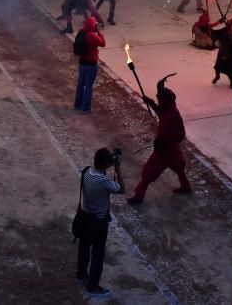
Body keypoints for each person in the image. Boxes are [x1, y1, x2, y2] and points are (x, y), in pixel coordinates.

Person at [127, 78, 191, 203]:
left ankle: (138, 196)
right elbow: (160, 111)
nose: (158, 100)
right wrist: (149, 102)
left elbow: (181, 134)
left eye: (159, 99)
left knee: (148, 172)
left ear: (165, 101)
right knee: (178, 168)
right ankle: (185, 187)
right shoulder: (168, 109)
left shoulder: (173, 114)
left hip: (165, 150)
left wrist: (165, 141)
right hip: (170, 149)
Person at [75, 147, 125, 299]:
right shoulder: (104, 182)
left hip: (84, 218)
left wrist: (109, 163)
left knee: (83, 248)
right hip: (98, 222)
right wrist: (118, 169)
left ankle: (80, 275)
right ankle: (92, 286)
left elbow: (101, 171)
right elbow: (121, 189)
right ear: (107, 164)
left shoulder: (86, 172)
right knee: (98, 254)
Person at [73, 17, 105, 115]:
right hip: (91, 65)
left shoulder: (81, 32)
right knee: (88, 87)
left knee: (80, 85)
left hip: (82, 63)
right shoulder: (91, 35)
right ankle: (85, 108)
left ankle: (77, 105)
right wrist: (99, 32)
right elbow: (103, 43)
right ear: (93, 26)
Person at [211, 18, 232, 89]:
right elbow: (214, 32)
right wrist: (218, 22)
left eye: (230, 23)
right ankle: (217, 77)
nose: (228, 24)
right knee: (218, 66)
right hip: (223, 51)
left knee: (231, 68)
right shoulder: (224, 30)